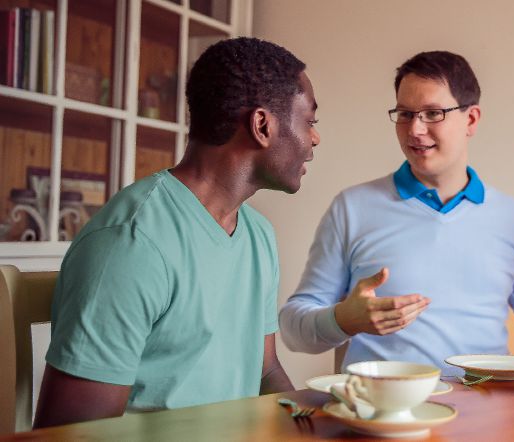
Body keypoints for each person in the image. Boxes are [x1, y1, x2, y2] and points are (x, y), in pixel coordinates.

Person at [33, 37, 320, 428]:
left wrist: (315, 423)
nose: (315, 139)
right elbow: (71, 434)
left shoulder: (258, 236)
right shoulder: (131, 244)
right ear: (262, 125)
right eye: (310, 122)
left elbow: (264, 369)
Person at [279, 51, 514, 373]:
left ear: (471, 119)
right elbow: (292, 330)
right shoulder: (352, 208)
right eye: (405, 113)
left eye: (433, 113)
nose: (415, 129)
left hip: (485, 415)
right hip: (380, 414)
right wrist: (343, 319)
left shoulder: (513, 219)